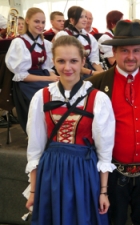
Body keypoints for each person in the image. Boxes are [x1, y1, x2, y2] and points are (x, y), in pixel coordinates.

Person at [25, 35, 115, 224]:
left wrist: (103, 192)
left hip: (83, 171)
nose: (67, 67)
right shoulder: (41, 97)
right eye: (61, 61)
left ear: (83, 61)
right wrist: (33, 191)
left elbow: (104, 151)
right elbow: (35, 148)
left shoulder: (98, 99)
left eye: (74, 61)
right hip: (51, 172)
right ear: (53, 62)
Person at [87, 20, 140, 225]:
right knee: (113, 221)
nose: (131, 57)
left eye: (136, 50)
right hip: (112, 175)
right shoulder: (97, 83)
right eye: (124, 51)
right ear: (114, 52)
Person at [5, 7, 58, 133]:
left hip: (43, 77)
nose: (40, 25)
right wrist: (48, 78)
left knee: (63, 91)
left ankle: (57, 131)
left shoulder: (46, 43)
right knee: (45, 98)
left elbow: (47, 68)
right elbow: (21, 75)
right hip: (26, 83)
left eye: (43, 22)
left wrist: (55, 77)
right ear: (27, 21)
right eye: (37, 21)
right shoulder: (19, 42)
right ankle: (40, 133)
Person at [55, 6, 103, 76]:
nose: (85, 20)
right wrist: (92, 72)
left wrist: (103, 73)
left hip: (88, 70)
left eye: (85, 17)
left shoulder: (89, 37)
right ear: (71, 20)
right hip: (71, 72)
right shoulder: (63, 35)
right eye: (81, 17)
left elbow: (94, 60)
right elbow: (68, 62)